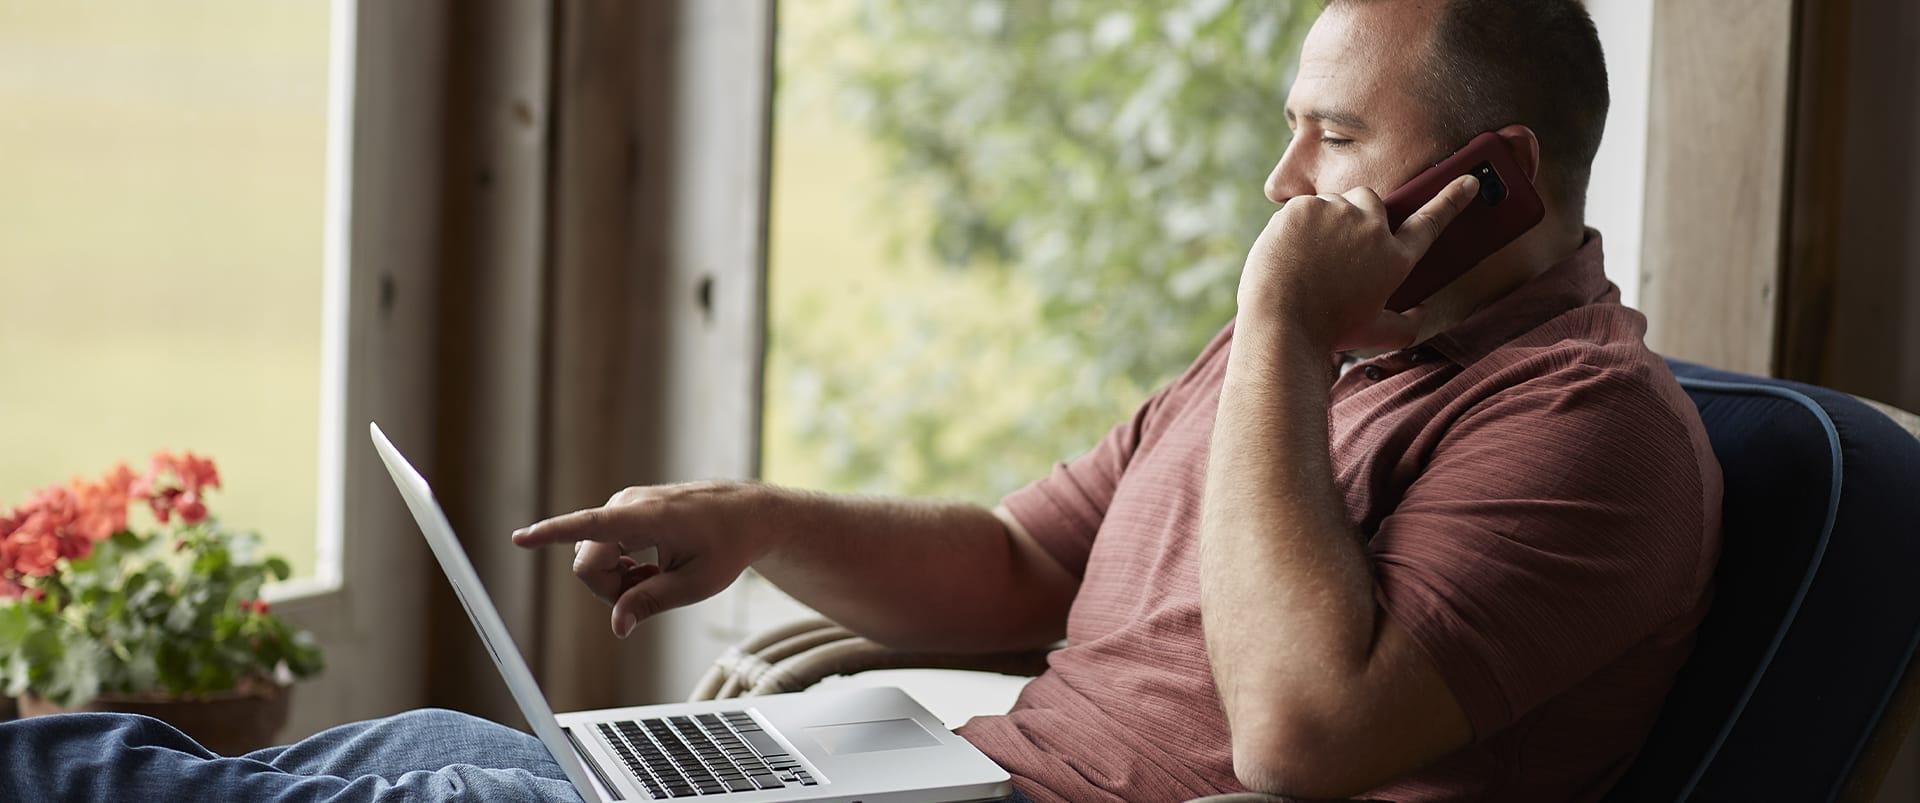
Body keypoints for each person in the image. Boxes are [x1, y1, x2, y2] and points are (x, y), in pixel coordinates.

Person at [0, 1, 1719, 801]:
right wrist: (753, 524)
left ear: (1490, 179)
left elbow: (1302, 740)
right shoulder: (1321, 335)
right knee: (370, 760)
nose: (1282, 184)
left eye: (1332, 141)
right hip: (943, 779)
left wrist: (1280, 334)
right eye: (1293, 124)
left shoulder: (1585, 436)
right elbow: (1017, 567)